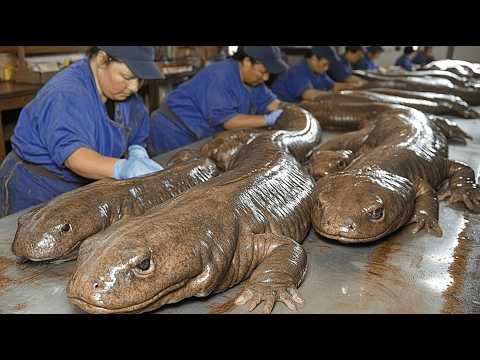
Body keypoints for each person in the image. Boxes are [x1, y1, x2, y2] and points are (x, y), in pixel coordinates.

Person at [0, 46, 164, 217]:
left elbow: (137, 132)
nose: (134, 87)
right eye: (127, 77)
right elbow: (75, 157)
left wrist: (137, 152)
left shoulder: (125, 96)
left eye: (140, 79)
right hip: (35, 187)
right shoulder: (66, 93)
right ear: (102, 59)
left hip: (79, 187)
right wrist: (123, 168)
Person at [147, 46, 288, 155]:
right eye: (263, 71)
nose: (266, 78)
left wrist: (289, 110)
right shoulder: (219, 77)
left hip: (196, 135)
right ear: (246, 62)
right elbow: (230, 122)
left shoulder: (254, 82)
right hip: (172, 131)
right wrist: (267, 120)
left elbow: (272, 103)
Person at [270, 46, 361, 102]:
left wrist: (354, 87)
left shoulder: (319, 71)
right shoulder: (297, 71)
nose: (327, 68)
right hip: (281, 112)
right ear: (314, 58)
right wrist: (344, 96)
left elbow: (333, 86)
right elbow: (310, 95)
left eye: (329, 65)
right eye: (325, 64)